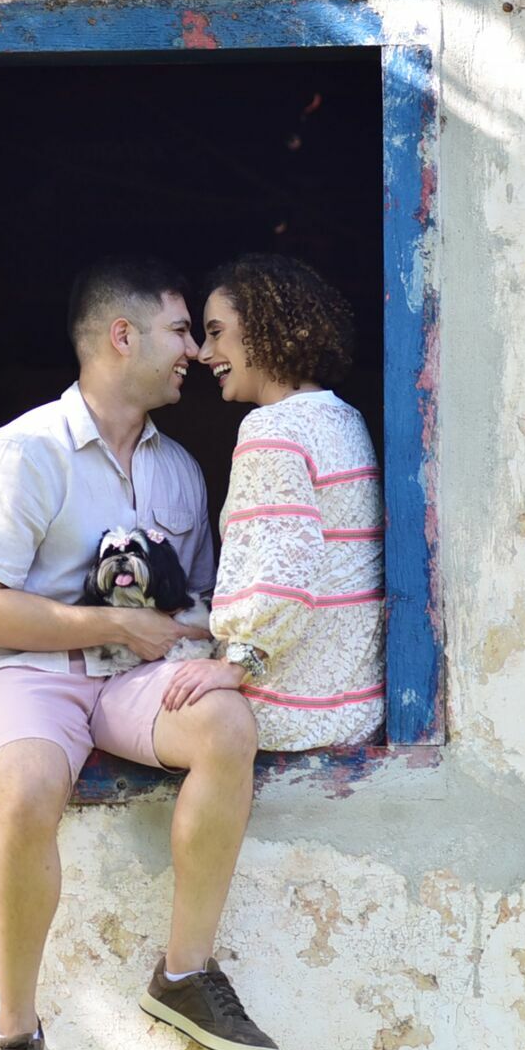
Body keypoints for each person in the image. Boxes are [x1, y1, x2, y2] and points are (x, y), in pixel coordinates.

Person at [0, 256, 279, 1050]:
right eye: (182, 331)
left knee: (227, 727)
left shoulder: (179, 473)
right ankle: (17, 1036)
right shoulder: (19, 453)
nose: (194, 353)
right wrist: (104, 624)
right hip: (23, 673)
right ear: (120, 336)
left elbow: (207, 597)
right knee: (28, 789)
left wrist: (206, 644)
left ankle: (184, 972)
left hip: (135, 678)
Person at [160, 254, 387, 751]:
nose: (204, 353)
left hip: (289, 708)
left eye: (217, 332)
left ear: (266, 330)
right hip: (355, 701)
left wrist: (235, 665)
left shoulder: (271, 429)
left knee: (123, 703)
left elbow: (283, 567)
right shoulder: (346, 419)